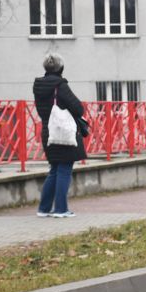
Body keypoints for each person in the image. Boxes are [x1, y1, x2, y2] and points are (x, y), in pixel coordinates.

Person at [32, 53, 88, 218]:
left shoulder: (38, 86)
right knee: (64, 169)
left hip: (48, 132)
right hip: (64, 132)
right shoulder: (61, 86)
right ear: (61, 68)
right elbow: (78, 108)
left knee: (54, 170)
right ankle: (61, 209)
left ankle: (44, 209)